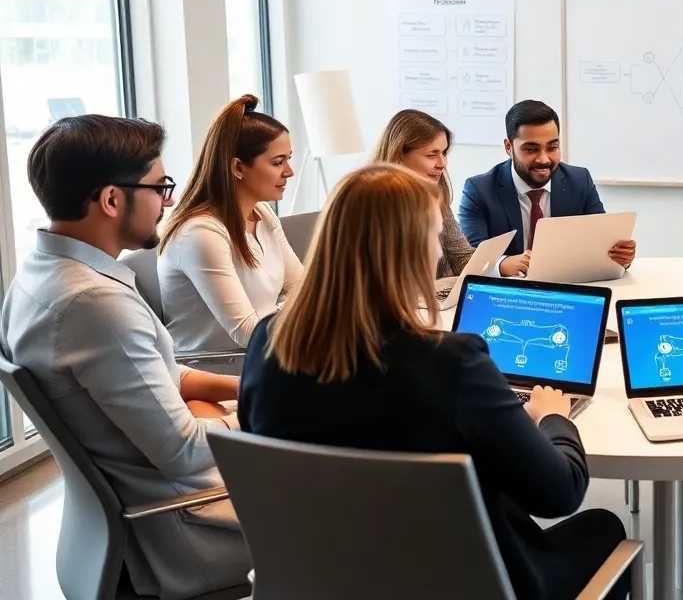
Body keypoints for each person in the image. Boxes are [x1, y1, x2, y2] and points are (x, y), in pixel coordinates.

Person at [239, 163, 628, 600]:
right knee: (605, 526)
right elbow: (560, 494)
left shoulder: (268, 341)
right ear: (408, 251)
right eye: (433, 236)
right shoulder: (452, 364)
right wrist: (554, 419)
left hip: (322, 576)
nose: (438, 250)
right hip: (462, 583)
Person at [0, 116, 249, 599]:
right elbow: (185, 453)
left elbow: (148, 371)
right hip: (189, 526)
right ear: (112, 199)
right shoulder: (94, 303)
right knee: (371, 510)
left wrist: (246, 388)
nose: (169, 202)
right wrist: (266, 408)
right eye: (160, 187)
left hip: (150, 507)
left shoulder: (40, 273)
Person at [158, 95, 304, 357]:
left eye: (288, 159)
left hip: (264, 354)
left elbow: (302, 290)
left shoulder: (263, 214)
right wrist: (295, 313)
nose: (289, 171)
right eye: (278, 162)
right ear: (237, 167)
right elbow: (246, 332)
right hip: (219, 367)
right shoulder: (200, 233)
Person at [458, 100, 636, 277]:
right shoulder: (479, 190)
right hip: (509, 290)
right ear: (508, 147)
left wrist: (621, 257)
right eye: (531, 149)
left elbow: (601, 245)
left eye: (552, 147)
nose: (544, 159)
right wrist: (501, 264)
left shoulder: (579, 181)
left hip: (565, 285)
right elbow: (469, 256)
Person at [370, 109, 474, 279]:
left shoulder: (436, 197)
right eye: (431, 155)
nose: (442, 163)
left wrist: (498, 265)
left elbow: (461, 257)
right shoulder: (372, 206)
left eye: (444, 153)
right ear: (399, 154)